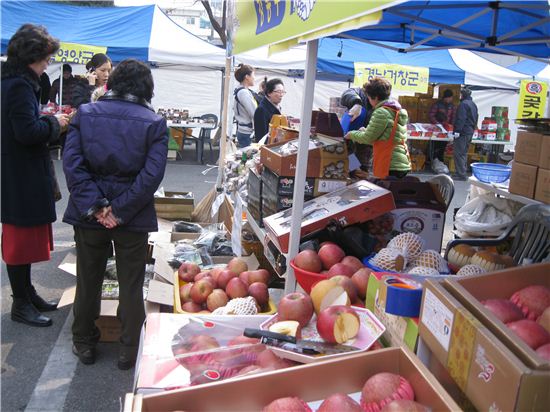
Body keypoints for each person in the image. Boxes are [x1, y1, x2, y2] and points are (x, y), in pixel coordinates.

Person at [63, 58, 168, 369]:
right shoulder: (154, 122)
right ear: (148, 88)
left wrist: (97, 206)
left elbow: (72, 165)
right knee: (132, 284)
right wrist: (119, 210)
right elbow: (151, 175)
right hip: (132, 216)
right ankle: (129, 347)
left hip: (88, 214)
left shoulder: (85, 113)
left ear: (111, 83)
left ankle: (84, 341)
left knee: (89, 279)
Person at [1, 24, 70, 327]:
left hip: (17, 171)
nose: (47, 63)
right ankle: (21, 303)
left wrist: (47, 119)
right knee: (19, 240)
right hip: (20, 173)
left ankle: (27, 294)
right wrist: (56, 124)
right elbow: (27, 132)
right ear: (31, 56)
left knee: (24, 238)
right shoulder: (19, 85)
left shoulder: (14, 82)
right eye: (44, 57)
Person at [344, 77, 411, 179]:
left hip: (388, 160)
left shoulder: (381, 112)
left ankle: (360, 174)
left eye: (369, 98)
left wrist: (351, 134)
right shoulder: (396, 110)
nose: (369, 101)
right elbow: (386, 136)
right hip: (400, 161)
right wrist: (356, 103)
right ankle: (359, 173)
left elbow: (368, 138)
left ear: (375, 97)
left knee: (378, 187)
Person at [340, 83, 374, 172]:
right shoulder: (360, 93)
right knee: (353, 170)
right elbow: (347, 94)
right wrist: (357, 103)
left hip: (365, 146)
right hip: (349, 139)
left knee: (362, 172)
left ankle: (358, 172)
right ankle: (354, 171)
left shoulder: (382, 106)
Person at [453, 88, 478, 181]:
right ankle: (462, 171)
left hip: (463, 132)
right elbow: (476, 117)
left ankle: (461, 174)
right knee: (464, 153)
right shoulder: (473, 104)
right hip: (470, 131)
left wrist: (457, 131)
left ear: (463, 95)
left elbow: (461, 118)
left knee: (458, 153)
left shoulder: (463, 104)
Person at [428, 89, 456, 172]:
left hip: (447, 130)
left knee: (443, 147)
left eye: (450, 98)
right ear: (445, 98)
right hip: (436, 130)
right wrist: (437, 124)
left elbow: (454, 117)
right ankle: (433, 162)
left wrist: (451, 127)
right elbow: (431, 115)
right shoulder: (437, 105)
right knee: (435, 146)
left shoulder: (452, 106)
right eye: (449, 98)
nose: (450, 99)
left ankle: (440, 162)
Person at [233, 64, 260, 147]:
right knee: (247, 157)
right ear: (247, 77)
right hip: (247, 132)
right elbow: (254, 113)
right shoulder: (244, 92)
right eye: (253, 75)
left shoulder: (241, 90)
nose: (254, 78)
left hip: (243, 130)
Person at [253, 78, 284, 142]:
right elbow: (261, 138)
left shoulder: (276, 106)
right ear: (269, 93)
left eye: (282, 92)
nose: (281, 95)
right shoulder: (262, 110)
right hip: (268, 148)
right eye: (279, 92)